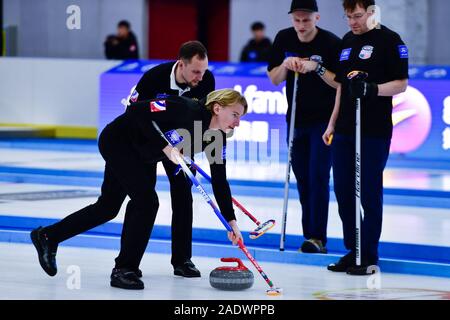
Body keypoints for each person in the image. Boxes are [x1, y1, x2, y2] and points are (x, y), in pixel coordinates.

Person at [30, 89, 247, 290]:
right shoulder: (185, 108)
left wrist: (231, 222)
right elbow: (137, 111)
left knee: (107, 207)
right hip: (119, 141)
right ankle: (124, 269)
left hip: (142, 155)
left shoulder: (217, 138)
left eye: (240, 118)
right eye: (235, 115)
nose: (237, 123)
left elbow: (220, 181)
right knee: (146, 202)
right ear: (217, 108)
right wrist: (165, 145)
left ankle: (48, 236)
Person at [324, 0, 408, 275]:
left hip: (373, 130)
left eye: (357, 16)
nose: (352, 22)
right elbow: (340, 86)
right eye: (348, 16)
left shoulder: (390, 40)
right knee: (344, 191)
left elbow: (401, 83)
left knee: (369, 192)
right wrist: (332, 122)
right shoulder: (347, 41)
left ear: (372, 13)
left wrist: (371, 89)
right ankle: (354, 248)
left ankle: (369, 254)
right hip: (345, 129)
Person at [124, 41, 215, 279]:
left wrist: (187, 147)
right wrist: (161, 145)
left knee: (184, 194)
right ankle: (127, 264)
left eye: (203, 71)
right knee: (143, 199)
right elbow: (132, 115)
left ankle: (182, 259)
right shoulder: (154, 77)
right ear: (181, 64)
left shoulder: (207, 81)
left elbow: (203, 120)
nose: (201, 77)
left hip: (181, 143)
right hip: (147, 142)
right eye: (196, 71)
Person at [267, 0, 342, 254]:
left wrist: (316, 67)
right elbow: (274, 78)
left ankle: (317, 237)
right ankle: (309, 233)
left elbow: (338, 83)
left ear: (317, 18)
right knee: (302, 178)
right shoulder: (284, 38)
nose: (301, 25)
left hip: (324, 122)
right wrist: (286, 66)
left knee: (319, 176)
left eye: (306, 20)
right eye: (297, 20)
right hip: (296, 120)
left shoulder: (331, 42)